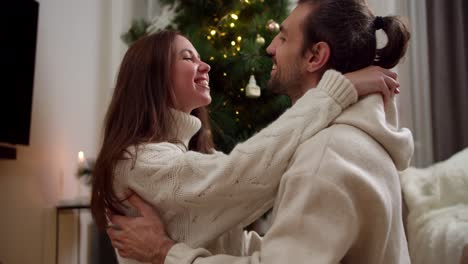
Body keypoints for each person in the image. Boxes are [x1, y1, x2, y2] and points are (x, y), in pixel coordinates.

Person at [105, 0, 413, 264]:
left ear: (315, 55)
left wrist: (165, 253)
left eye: (282, 37)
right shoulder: (137, 161)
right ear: (150, 77)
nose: (269, 47)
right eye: (188, 57)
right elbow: (238, 183)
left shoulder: (328, 153)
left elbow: (238, 180)